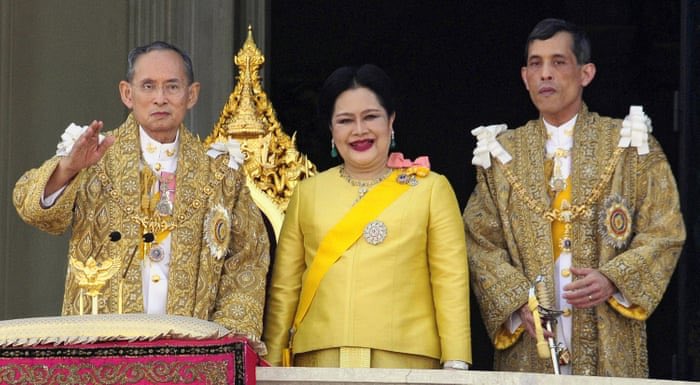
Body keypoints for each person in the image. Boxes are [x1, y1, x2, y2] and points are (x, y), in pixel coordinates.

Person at [463, 18, 685, 377]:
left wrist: (614, 277)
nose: (545, 74)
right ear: (524, 77)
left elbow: (665, 230)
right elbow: (478, 241)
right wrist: (520, 301)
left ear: (586, 73)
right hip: (531, 341)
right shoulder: (500, 154)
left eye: (558, 62)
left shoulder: (630, 144)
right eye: (536, 64)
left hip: (609, 335)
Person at [13, 41, 270, 342]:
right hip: (100, 347)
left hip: (191, 350)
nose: (160, 98)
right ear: (127, 93)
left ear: (191, 95)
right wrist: (68, 169)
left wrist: (224, 339)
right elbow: (32, 209)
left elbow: (247, 264)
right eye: (148, 86)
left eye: (172, 87)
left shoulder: (222, 175)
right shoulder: (92, 155)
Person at [263, 64, 471, 369]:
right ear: (332, 130)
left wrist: (456, 359)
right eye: (345, 121)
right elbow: (285, 289)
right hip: (320, 360)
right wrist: (270, 363)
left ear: (391, 121)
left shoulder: (431, 189)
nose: (359, 130)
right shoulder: (308, 193)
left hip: (407, 360)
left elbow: (450, 280)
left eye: (371, 117)